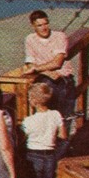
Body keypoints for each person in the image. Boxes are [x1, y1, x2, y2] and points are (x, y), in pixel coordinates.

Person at [21, 10, 76, 152]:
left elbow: (57, 63)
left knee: (63, 119)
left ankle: (61, 153)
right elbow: (30, 63)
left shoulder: (59, 36)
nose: (44, 28)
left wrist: (37, 68)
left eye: (46, 24)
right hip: (46, 81)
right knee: (45, 119)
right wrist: (46, 71)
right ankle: (47, 152)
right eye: (39, 25)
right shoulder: (30, 39)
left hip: (63, 80)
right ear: (33, 26)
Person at [21, 82, 67, 178]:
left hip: (33, 156)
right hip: (50, 156)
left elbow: (21, 139)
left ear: (33, 101)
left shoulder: (29, 121)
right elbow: (63, 136)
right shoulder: (56, 115)